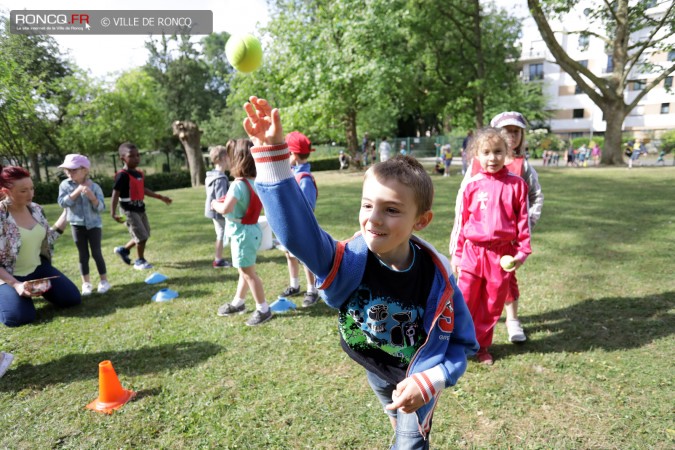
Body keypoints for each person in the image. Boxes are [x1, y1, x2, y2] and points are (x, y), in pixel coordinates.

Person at [242, 96, 478, 448]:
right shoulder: (349, 259)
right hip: (373, 365)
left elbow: (463, 343)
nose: (373, 218)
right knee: (393, 411)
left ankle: (409, 429)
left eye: (392, 209)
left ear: (421, 221)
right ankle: (398, 420)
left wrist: (432, 380)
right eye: (367, 205)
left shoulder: (437, 279)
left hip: (417, 374)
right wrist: (273, 157)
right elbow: (296, 234)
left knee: (409, 440)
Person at [450, 111, 543, 345]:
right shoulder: (472, 183)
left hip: (503, 253)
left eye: (498, 152)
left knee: (492, 304)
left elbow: (525, 215)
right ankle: (457, 344)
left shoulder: (519, 182)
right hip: (473, 252)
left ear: (508, 151)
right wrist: (457, 252)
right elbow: (462, 220)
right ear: (477, 154)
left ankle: (481, 346)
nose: (492, 158)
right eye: (487, 153)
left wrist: (522, 250)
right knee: (465, 299)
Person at [0, 165, 81, 327]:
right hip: (7, 276)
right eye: (23, 191)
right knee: (19, 317)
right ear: (5, 192)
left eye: (32, 188)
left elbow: (48, 238)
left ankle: (28, 292)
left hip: (38, 269)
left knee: (72, 299)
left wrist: (67, 213)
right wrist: (16, 285)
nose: (30, 194)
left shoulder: (36, 209)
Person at [213, 139, 272, 326]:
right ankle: (238, 302)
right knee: (244, 270)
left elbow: (225, 209)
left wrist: (215, 203)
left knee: (248, 273)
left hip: (241, 234)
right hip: (251, 231)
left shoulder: (238, 184)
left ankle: (263, 308)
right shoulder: (256, 182)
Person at [111, 143, 173, 270]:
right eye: (131, 156)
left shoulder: (138, 174)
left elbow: (143, 189)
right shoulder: (122, 175)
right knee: (142, 236)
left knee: (145, 233)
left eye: (138, 155)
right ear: (122, 158)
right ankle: (140, 261)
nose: (136, 158)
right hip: (128, 210)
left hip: (140, 208)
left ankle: (123, 250)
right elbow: (115, 194)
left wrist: (160, 197)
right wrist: (113, 213)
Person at [57, 154, 110, 296]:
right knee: (83, 255)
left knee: (97, 253)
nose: (69, 173)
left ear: (85, 170)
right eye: (67, 170)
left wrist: (93, 198)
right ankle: (86, 283)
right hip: (76, 225)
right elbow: (62, 203)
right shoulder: (65, 185)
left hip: (94, 226)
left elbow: (101, 208)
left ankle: (104, 281)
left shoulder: (95, 187)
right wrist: (77, 191)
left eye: (74, 170)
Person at [278, 131, 320, 307]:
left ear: (293, 155)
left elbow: (307, 207)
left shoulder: (304, 179)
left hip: (301, 226)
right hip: (290, 224)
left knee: (304, 258)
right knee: (290, 255)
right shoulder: (293, 173)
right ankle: (295, 284)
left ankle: (312, 290)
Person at [205, 142, 233, 268]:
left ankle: (219, 258)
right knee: (223, 234)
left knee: (220, 234)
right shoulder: (220, 179)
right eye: (228, 157)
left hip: (212, 211)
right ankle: (218, 260)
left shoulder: (211, 176)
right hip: (218, 211)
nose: (230, 160)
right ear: (222, 159)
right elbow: (223, 198)